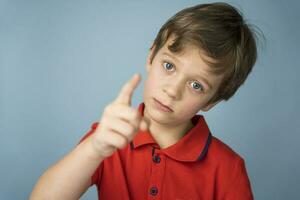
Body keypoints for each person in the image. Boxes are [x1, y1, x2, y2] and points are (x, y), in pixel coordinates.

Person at [30, 2, 261, 199]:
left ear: (212, 101)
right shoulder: (108, 138)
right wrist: (94, 148)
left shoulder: (228, 168)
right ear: (151, 56)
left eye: (196, 85)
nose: (172, 90)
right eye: (169, 66)